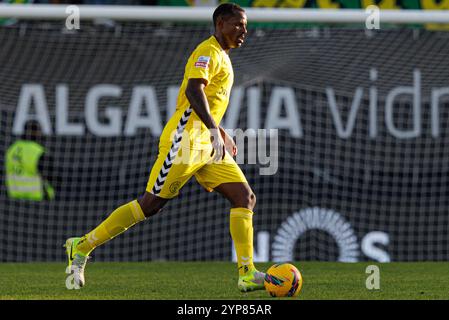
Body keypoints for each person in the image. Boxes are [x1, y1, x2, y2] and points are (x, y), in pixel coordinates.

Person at [64, 2, 265, 292]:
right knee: (151, 205)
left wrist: (220, 131)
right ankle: (82, 246)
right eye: (238, 25)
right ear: (220, 23)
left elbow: (204, 99)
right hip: (184, 141)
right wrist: (212, 130)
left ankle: (246, 273)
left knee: (244, 197)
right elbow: (193, 90)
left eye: (246, 27)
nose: (243, 32)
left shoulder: (223, 56)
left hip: (207, 144)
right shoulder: (207, 51)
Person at [5, 120, 55, 201]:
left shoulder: (12, 149)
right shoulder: (38, 151)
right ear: (35, 132)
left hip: (13, 200)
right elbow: (50, 177)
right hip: (36, 200)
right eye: (39, 131)